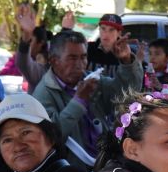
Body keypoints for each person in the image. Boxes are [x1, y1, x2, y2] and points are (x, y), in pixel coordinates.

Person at [32, 30, 141, 158]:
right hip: (73, 169)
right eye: (72, 58)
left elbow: (126, 95)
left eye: (83, 57)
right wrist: (79, 101)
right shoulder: (43, 94)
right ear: (54, 61)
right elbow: (50, 138)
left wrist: (126, 61)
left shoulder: (89, 80)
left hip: (105, 159)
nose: (79, 65)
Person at [87, 13, 125, 77]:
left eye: (111, 30)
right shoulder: (88, 48)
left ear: (119, 33)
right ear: (99, 29)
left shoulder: (125, 55)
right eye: (103, 28)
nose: (106, 33)